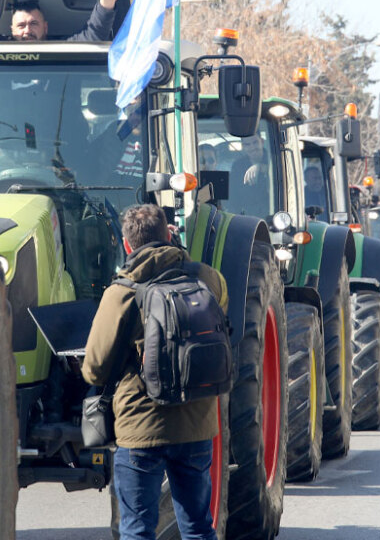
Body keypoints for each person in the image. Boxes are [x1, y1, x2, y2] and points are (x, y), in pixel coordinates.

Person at [82, 204, 227, 540]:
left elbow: (95, 368)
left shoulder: (122, 292)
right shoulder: (208, 279)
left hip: (140, 429)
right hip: (197, 424)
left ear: (127, 243)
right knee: (198, 527)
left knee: (137, 530)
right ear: (168, 234)